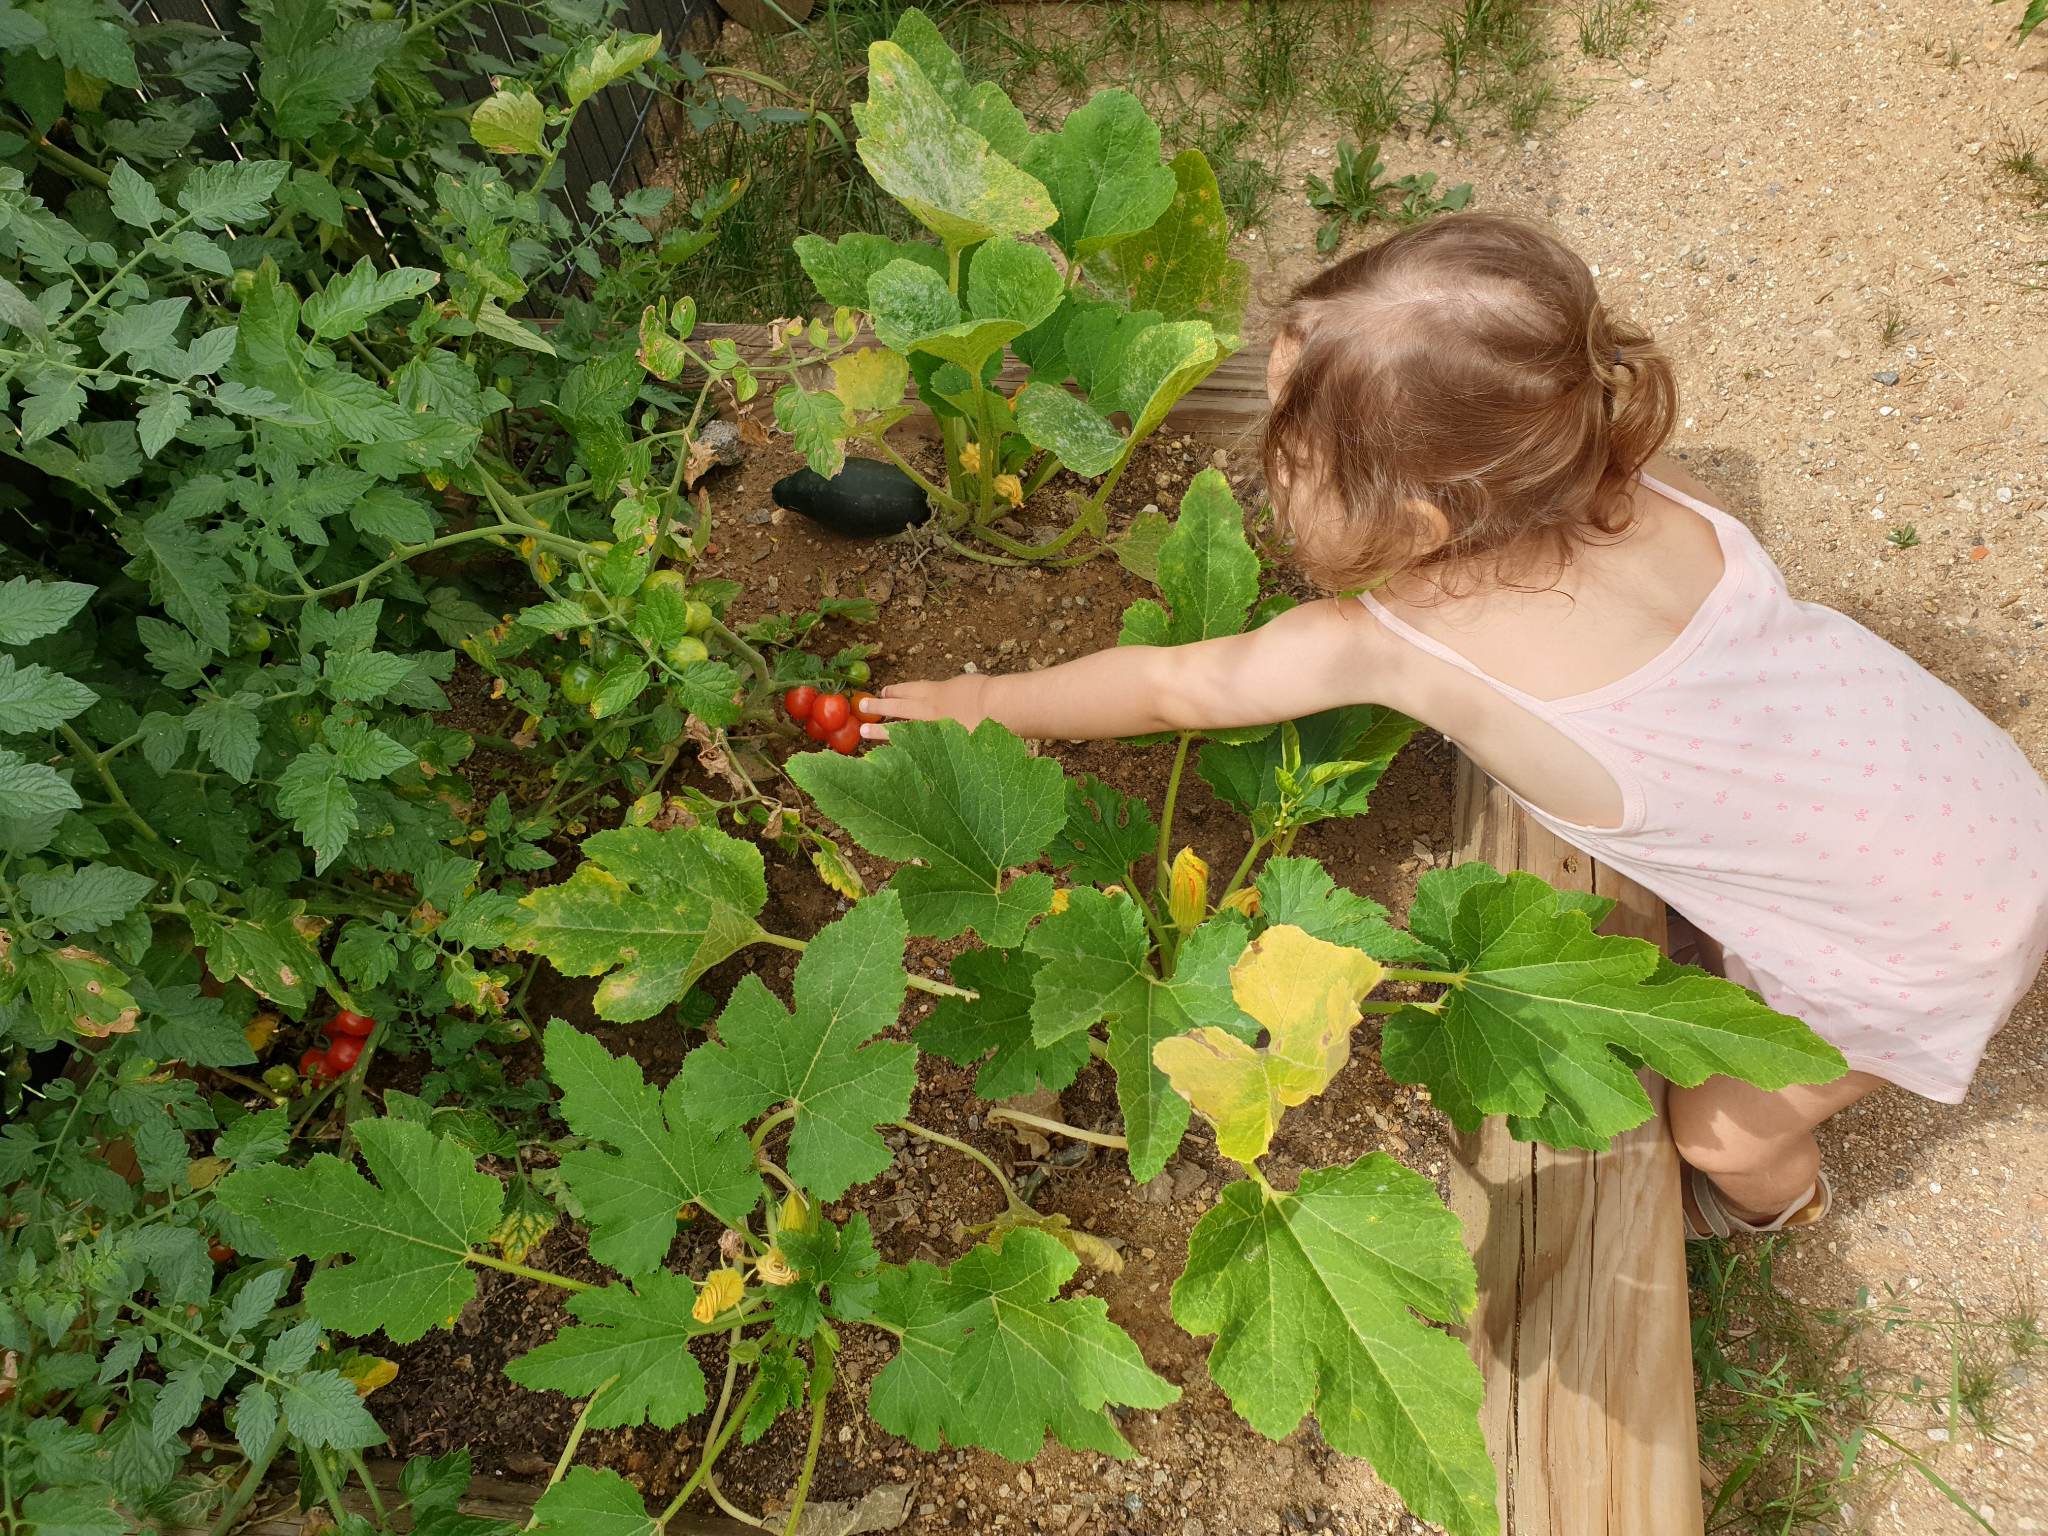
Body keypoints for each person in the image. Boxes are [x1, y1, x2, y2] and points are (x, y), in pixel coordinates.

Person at [860, 213, 2048, 1239]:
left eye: (1286, 445)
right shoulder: (1632, 493)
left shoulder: (1389, 645)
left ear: (1420, 527)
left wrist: (981, 704)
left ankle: (1770, 1215)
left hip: (1918, 949)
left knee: (1719, 1129)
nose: (1262, 458)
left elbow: (1178, 689)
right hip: (1974, 803)